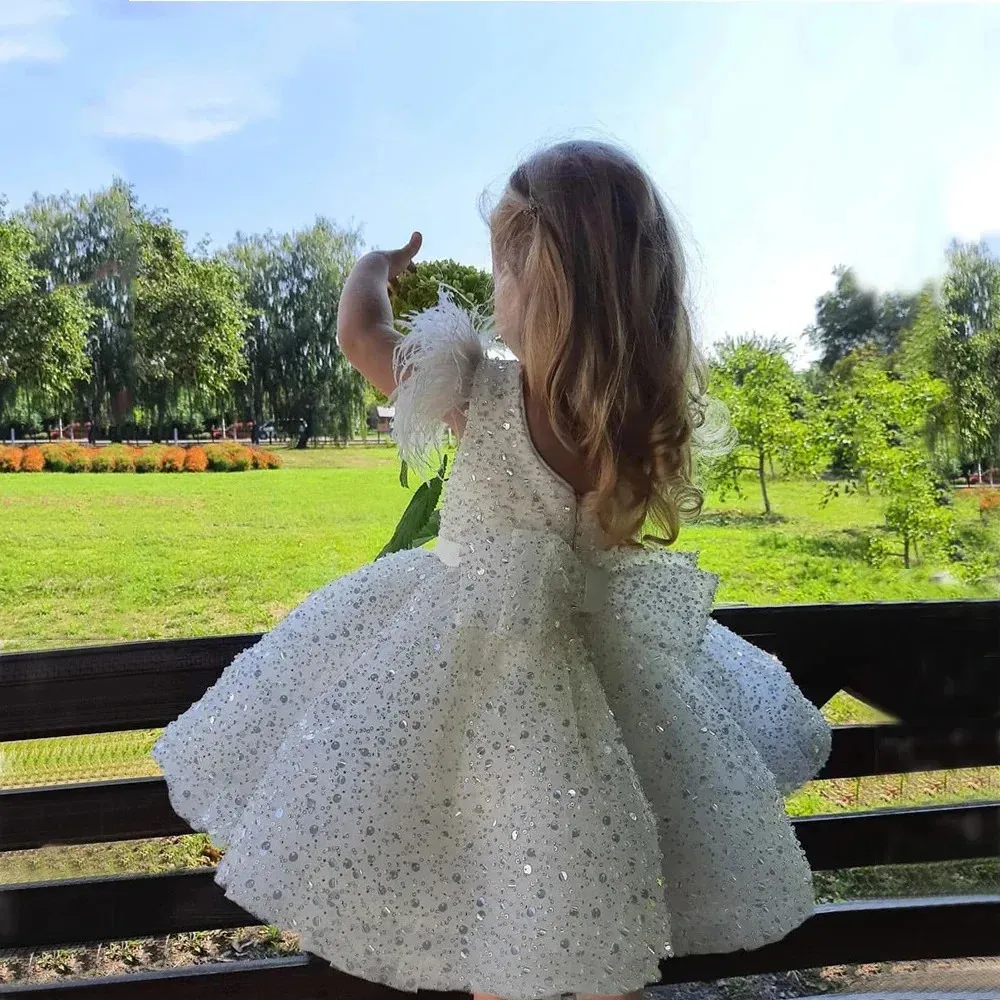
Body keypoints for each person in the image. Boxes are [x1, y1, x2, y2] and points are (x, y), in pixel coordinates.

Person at [154, 140, 831, 1000]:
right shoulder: (641, 421)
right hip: (607, 684)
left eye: (502, 271)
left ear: (536, 284)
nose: (493, 293)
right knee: (585, 888)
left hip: (470, 679)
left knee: (500, 901)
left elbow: (361, 334)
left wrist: (373, 267)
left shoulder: (479, 391)